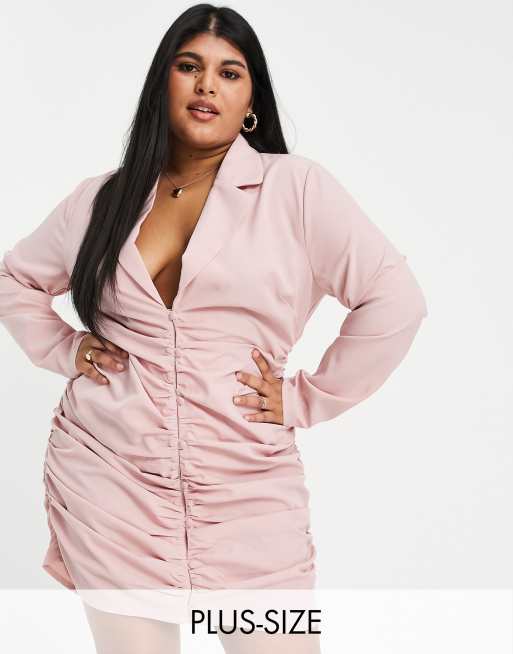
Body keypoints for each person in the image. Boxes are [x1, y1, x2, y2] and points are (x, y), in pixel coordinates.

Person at [0, 4, 427, 653]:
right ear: (162, 82)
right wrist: (67, 348)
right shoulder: (102, 200)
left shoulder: (295, 189)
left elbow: (394, 299)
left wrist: (305, 398)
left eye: (230, 73)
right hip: (110, 483)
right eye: (189, 66)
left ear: (250, 100)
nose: (207, 85)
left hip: (246, 489)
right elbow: (15, 280)